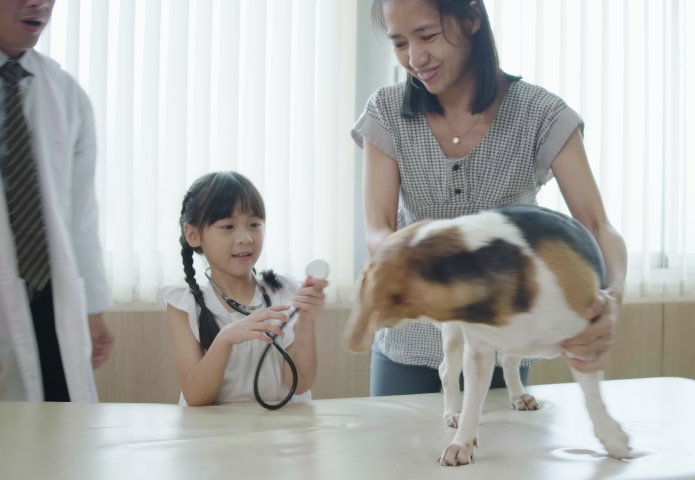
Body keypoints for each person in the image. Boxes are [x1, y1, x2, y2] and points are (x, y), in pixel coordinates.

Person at [352, 0, 627, 397]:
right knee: (396, 456)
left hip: (505, 339)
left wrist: (611, 297)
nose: (415, 58)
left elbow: (597, 226)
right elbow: (379, 231)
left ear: (471, 19)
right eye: (399, 43)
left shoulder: (541, 113)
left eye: (427, 35)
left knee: (500, 453)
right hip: (409, 346)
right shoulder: (387, 111)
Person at [0, 0, 113, 402]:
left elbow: (80, 214)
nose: (39, 3)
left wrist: (93, 308)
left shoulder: (65, 93)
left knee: (59, 442)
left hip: (49, 296)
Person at [160, 171, 327, 406]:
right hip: (217, 436)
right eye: (228, 226)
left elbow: (299, 385)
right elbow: (196, 397)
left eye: (254, 224)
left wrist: (306, 320)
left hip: (278, 432)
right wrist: (225, 339)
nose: (246, 237)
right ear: (193, 234)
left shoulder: (286, 291)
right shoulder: (184, 304)